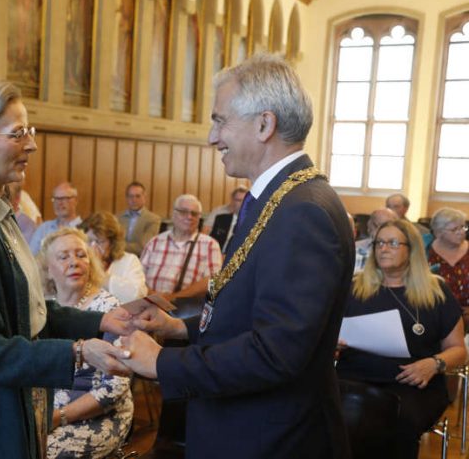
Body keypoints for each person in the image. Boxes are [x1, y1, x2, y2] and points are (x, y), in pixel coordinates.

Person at [119, 54, 355, 458]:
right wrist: (181, 329)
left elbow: (275, 353)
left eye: (220, 120)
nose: (212, 137)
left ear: (264, 125)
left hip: (271, 440)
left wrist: (162, 363)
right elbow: (248, 312)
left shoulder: (302, 211)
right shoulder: (279, 198)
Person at [0, 79, 132, 459]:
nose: (32, 144)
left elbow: (23, 312)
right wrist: (78, 352)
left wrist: (101, 322)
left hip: (14, 405)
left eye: (28, 132)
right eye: (18, 134)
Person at [337, 219, 466, 458]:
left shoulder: (436, 291)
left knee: (398, 422)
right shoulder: (354, 288)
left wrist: (434, 363)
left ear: (412, 249)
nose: (384, 248)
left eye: (393, 243)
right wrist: (334, 346)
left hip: (413, 384)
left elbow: (458, 349)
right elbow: (333, 338)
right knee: (338, 418)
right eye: (380, 243)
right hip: (354, 379)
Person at [38, 228, 133, 459]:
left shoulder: (109, 309)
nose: (74, 262)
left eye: (81, 255)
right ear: (47, 270)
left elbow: (115, 387)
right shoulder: (41, 309)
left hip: (101, 413)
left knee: (47, 453)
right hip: (47, 408)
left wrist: (59, 417)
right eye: (63, 257)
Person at [140, 194, 222, 302]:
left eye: (194, 214)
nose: (189, 217)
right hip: (149, 303)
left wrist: (173, 298)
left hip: (185, 312)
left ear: (199, 218)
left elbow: (213, 282)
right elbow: (138, 277)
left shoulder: (210, 245)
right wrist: (154, 297)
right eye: (183, 212)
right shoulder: (155, 242)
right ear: (173, 214)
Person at [82, 211, 147, 303]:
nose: (93, 247)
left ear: (113, 242)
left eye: (99, 241)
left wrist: (100, 273)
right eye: (89, 241)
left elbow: (138, 295)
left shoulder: (129, 260)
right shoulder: (80, 261)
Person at [428, 208, 469, 327]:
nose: (461, 232)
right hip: (434, 315)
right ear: (438, 232)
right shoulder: (425, 251)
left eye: (463, 227)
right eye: (454, 229)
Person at [29, 182, 83, 255]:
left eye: (64, 198)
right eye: (56, 199)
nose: (59, 203)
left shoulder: (85, 229)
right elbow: (30, 256)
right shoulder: (44, 228)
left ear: (75, 200)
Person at [117, 181, 162, 256]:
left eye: (138, 196)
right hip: (118, 257)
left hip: (140, 260)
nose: (134, 200)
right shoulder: (118, 218)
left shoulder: (153, 219)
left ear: (144, 197)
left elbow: (143, 247)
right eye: (130, 196)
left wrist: (116, 246)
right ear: (126, 198)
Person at [354, 208, 398, 274]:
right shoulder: (355, 248)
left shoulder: (401, 250)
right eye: (377, 226)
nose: (382, 231)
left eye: (389, 226)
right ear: (369, 225)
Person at [208, 186, 249, 251]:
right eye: (239, 200)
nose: (242, 203)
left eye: (244, 200)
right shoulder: (221, 218)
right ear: (232, 201)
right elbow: (210, 237)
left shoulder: (250, 220)